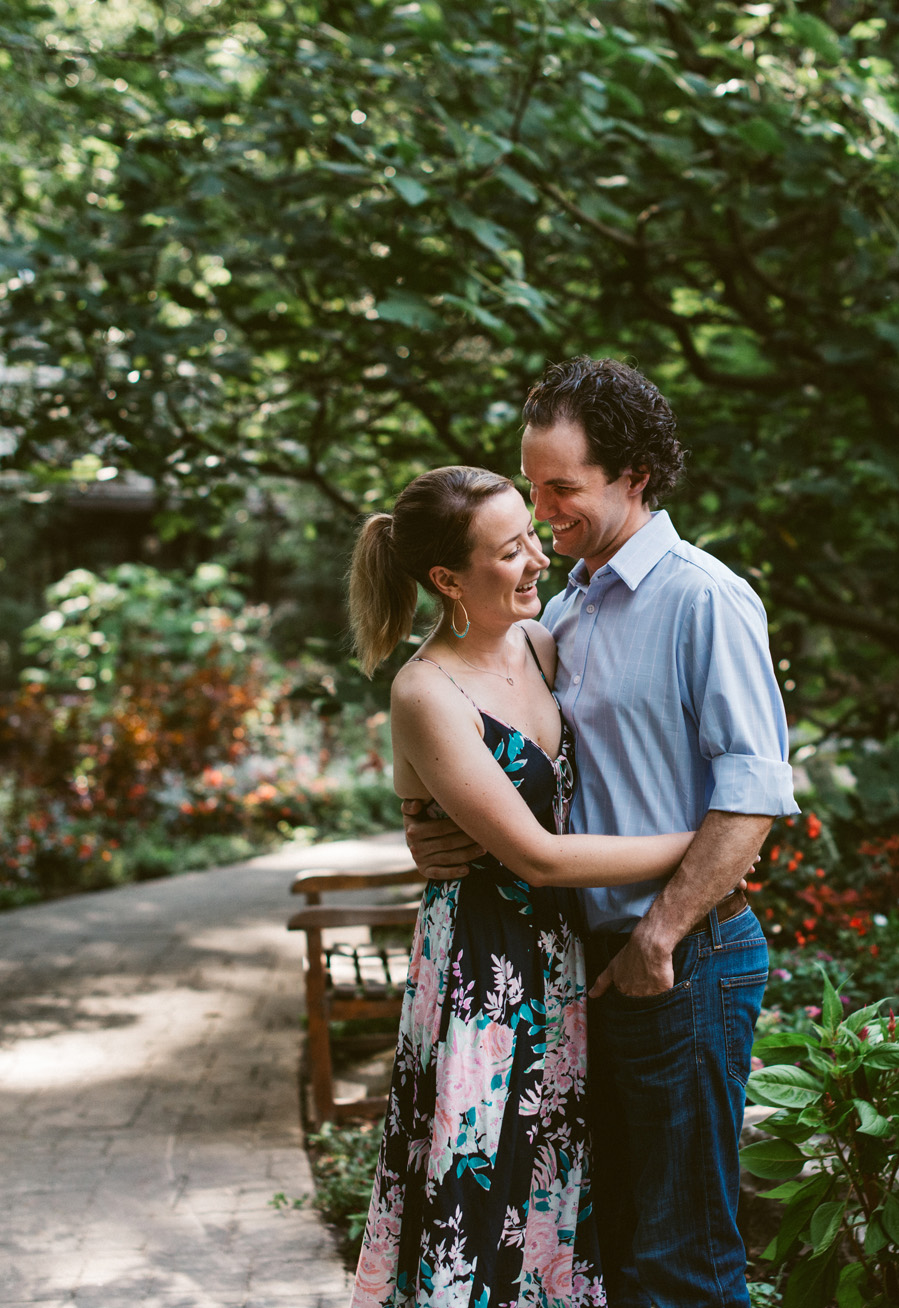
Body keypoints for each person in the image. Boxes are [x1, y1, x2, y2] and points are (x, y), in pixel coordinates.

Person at [406, 358, 798, 1308]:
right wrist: (430, 832)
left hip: (680, 958)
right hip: (582, 971)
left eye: (561, 488)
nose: (541, 513)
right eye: (533, 488)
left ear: (633, 473)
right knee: (607, 1253)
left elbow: (754, 790)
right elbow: (480, 728)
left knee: (685, 1260)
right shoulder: (566, 606)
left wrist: (660, 935)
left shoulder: (701, 598)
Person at [345, 464, 703, 1308]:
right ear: (446, 579)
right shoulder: (425, 692)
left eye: (533, 536)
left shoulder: (543, 643)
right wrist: (706, 844)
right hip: (483, 976)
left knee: (550, 1200)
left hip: (560, 960)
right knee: (481, 1192)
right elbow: (538, 856)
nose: (540, 557)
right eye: (511, 550)